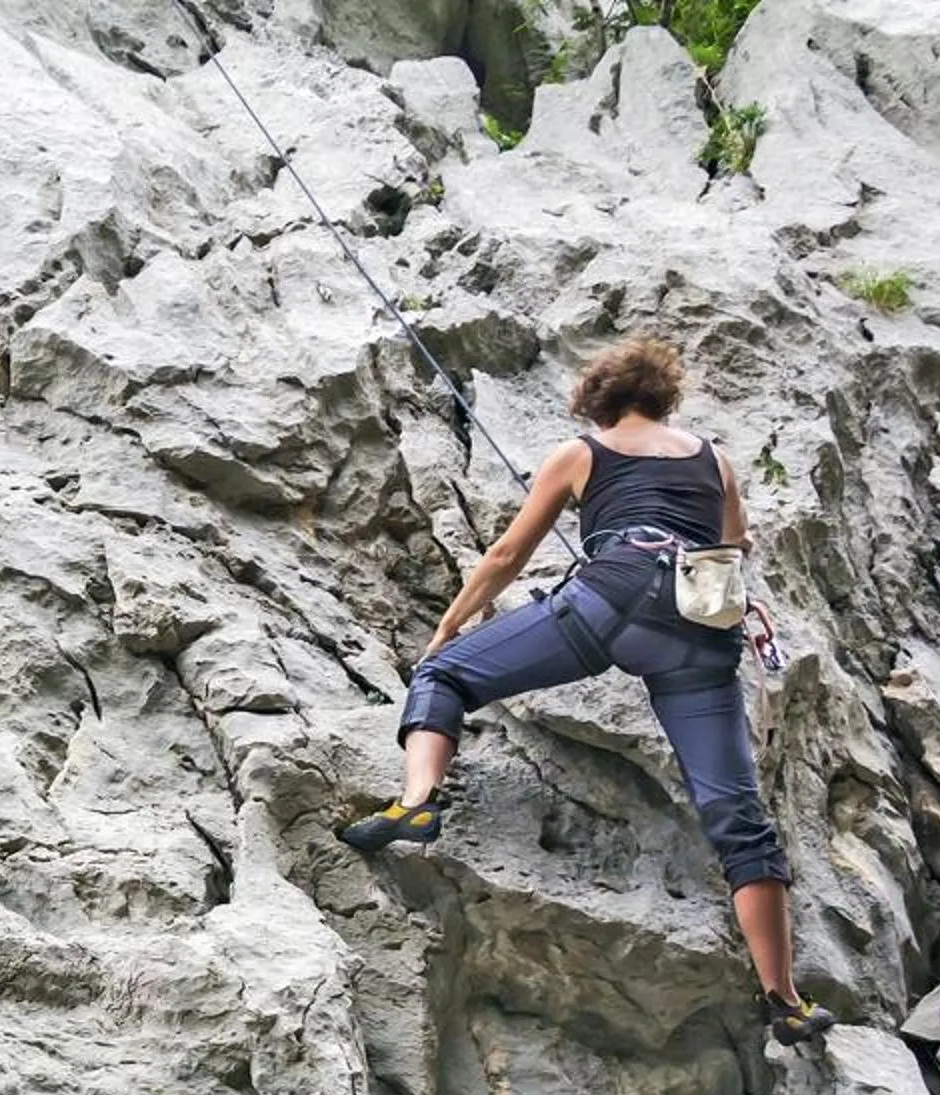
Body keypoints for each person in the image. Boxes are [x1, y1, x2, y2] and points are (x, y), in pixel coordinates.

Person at [338, 338, 836, 1047]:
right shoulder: (714, 459)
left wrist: (450, 625)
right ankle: (784, 998)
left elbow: (508, 554)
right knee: (737, 815)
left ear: (596, 400)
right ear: (664, 396)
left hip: (615, 598)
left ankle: (416, 805)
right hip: (700, 628)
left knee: (445, 674)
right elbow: (735, 543)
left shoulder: (582, 454)